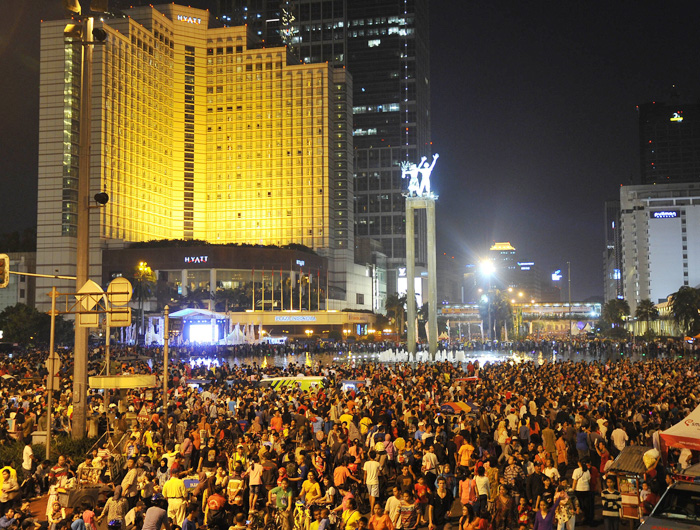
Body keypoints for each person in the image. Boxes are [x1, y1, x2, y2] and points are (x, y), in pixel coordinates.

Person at [571, 460, 593, 525]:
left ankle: (580, 517)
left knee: (579, 504)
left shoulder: (576, 470)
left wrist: (572, 489)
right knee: (586, 504)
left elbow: (575, 481)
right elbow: (589, 480)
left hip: (579, 489)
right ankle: (586, 517)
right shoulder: (587, 471)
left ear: (579, 463)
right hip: (586, 489)